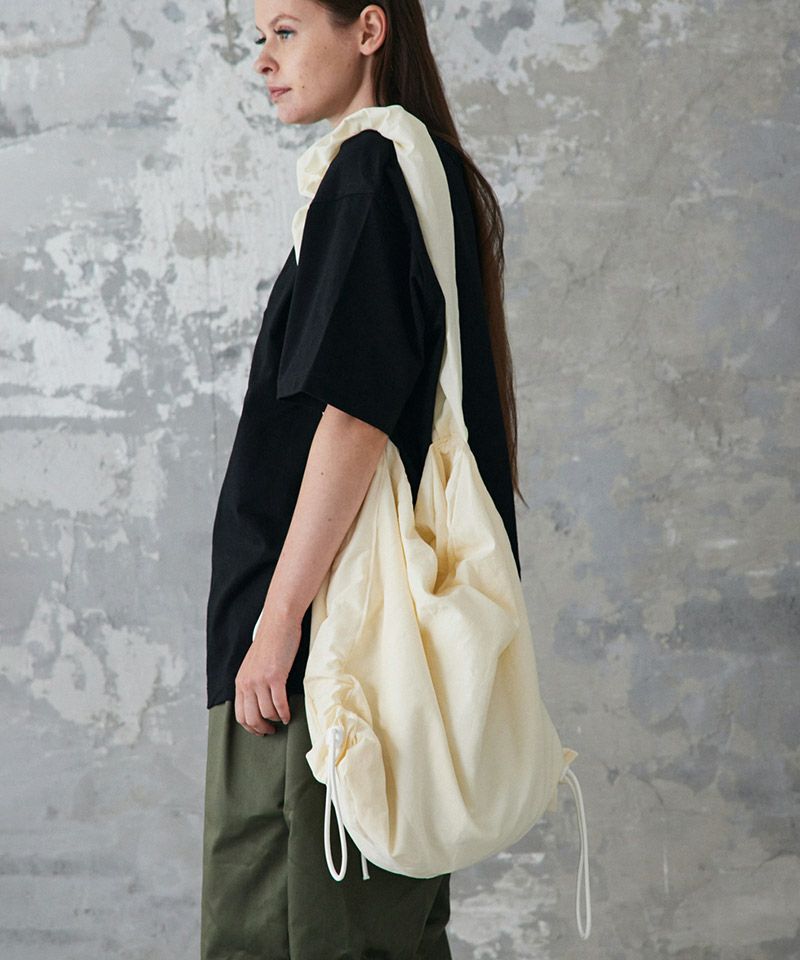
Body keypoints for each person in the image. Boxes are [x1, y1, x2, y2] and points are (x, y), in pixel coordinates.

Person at [201, 1, 525, 957]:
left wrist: (276, 624)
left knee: (286, 930)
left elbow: (353, 417)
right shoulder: (428, 174)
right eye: (258, 37)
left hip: (321, 657)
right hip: (381, 661)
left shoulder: (369, 170)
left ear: (369, 30)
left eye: (286, 30)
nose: (263, 60)